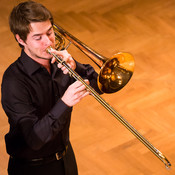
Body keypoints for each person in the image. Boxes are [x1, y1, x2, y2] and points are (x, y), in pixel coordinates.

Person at [1, 1, 102, 175]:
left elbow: (100, 86)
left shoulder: (60, 63)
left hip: (66, 160)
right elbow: (34, 140)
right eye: (38, 37)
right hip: (32, 168)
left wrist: (76, 66)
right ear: (20, 39)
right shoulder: (14, 82)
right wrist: (65, 102)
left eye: (50, 32)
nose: (48, 42)